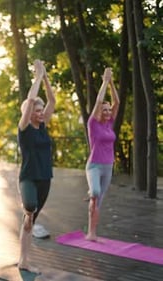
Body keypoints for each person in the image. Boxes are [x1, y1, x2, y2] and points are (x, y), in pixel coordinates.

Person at [17, 59, 55, 274]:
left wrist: (46, 75)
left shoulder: (43, 126)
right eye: (37, 110)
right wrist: (38, 76)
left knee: (30, 221)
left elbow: (52, 99)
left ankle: (24, 260)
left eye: (42, 110)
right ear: (29, 112)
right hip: (28, 178)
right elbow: (31, 99)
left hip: (45, 178)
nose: (41, 113)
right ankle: (27, 212)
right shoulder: (24, 128)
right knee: (30, 207)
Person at [85, 67, 119, 241]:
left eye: (108, 110)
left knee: (98, 201)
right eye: (104, 110)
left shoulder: (109, 124)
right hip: (95, 166)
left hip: (108, 166)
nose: (107, 112)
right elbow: (99, 101)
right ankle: (92, 191)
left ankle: (92, 233)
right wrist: (105, 81)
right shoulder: (93, 124)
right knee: (96, 192)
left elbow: (117, 102)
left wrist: (112, 82)